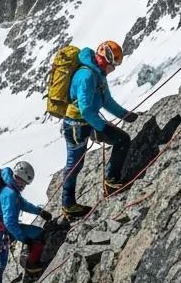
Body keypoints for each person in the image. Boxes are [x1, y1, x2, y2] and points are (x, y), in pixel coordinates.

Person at [59, 41, 138, 220]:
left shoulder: (98, 74)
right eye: (114, 65)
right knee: (75, 165)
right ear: (105, 60)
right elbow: (86, 109)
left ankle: (111, 181)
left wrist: (125, 115)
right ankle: (68, 204)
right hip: (77, 127)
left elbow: (106, 100)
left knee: (121, 140)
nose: (114, 69)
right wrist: (101, 127)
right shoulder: (87, 75)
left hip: (86, 123)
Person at [0, 161, 52, 283]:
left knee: (37, 234)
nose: (23, 187)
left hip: (1, 230)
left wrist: (39, 211)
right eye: (23, 183)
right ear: (18, 178)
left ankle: (31, 265)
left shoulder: (9, 188)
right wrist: (25, 240)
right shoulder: (10, 194)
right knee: (0, 259)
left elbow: (21, 203)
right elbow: (10, 223)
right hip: (2, 231)